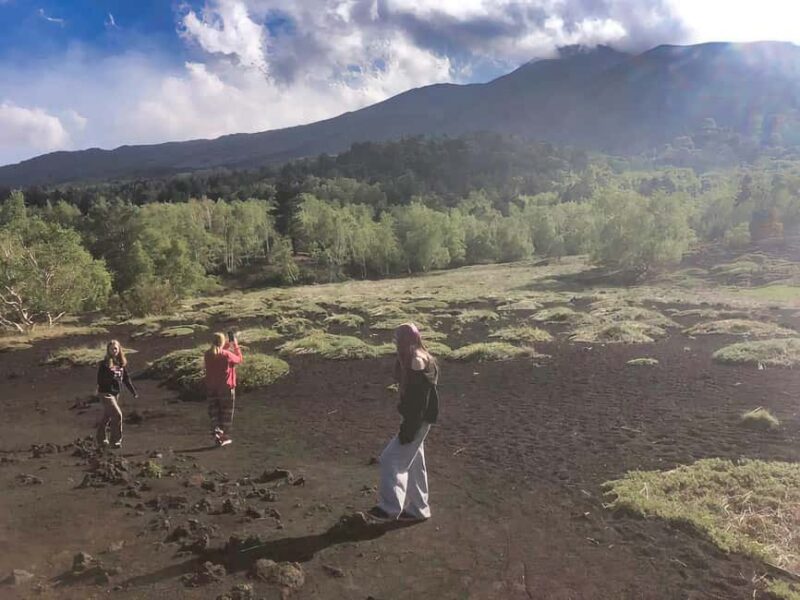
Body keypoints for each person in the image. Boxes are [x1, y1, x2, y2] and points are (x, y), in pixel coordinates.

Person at [368, 322, 439, 522]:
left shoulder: (416, 361)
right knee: (416, 464)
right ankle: (419, 509)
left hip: (417, 421)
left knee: (390, 459)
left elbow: (418, 402)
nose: (394, 342)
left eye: (397, 338)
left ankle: (389, 508)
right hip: (419, 419)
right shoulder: (417, 357)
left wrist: (409, 428)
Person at [204, 331, 243, 447]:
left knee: (215, 412)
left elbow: (219, 350)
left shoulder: (208, 354)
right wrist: (235, 345)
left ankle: (217, 433)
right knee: (226, 413)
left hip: (211, 387)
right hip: (226, 388)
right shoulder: (226, 355)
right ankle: (223, 437)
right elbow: (239, 359)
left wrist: (226, 345)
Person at [96, 339, 138, 449]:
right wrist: (110, 376)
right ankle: (115, 442)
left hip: (115, 393)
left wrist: (133, 392)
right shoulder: (104, 364)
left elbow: (126, 379)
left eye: (116, 348)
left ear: (119, 349)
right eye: (111, 348)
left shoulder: (120, 363)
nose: (114, 350)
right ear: (108, 350)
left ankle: (100, 439)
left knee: (107, 416)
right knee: (117, 415)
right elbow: (100, 380)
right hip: (105, 393)